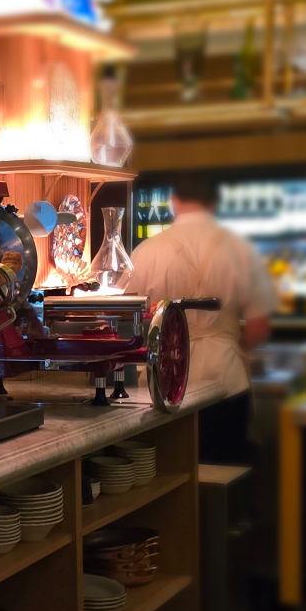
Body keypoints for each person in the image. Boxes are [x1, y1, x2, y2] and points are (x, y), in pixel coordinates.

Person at [119, 171, 269, 461]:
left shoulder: (146, 252)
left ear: (174, 203)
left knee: (169, 472)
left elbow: (124, 323)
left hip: (163, 384)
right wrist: (231, 344)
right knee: (224, 472)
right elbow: (258, 328)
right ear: (214, 204)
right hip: (227, 378)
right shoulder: (242, 251)